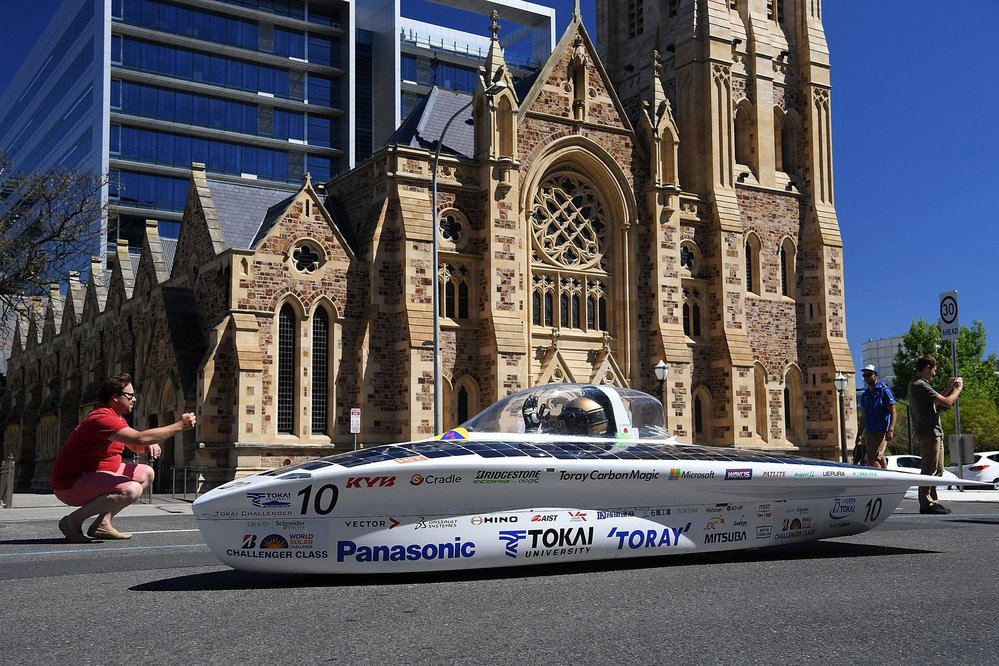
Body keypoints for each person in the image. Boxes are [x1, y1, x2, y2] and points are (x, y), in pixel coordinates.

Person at [50, 373, 196, 542]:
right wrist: (180, 425)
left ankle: (103, 524)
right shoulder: (102, 418)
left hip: (96, 474)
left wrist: (149, 443)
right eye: (130, 396)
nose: (134, 399)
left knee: (146, 473)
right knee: (131, 489)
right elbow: (139, 438)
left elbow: (136, 445)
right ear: (115, 398)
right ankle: (72, 521)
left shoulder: (115, 417)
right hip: (71, 483)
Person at [907, 355, 963, 515]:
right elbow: (947, 402)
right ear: (926, 368)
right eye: (934, 370)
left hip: (934, 431)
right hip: (929, 432)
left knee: (937, 469)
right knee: (928, 469)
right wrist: (957, 389)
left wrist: (947, 388)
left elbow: (936, 401)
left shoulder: (920, 384)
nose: (934, 374)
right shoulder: (919, 384)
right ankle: (925, 504)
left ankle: (933, 501)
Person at [855, 365, 896, 468]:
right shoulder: (865, 395)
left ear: (876, 376)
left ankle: (879, 480)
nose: (866, 377)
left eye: (869, 375)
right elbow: (864, 416)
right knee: (879, 457)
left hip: (881, 430)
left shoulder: (884, 391)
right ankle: (887, 478)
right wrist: (859, 434)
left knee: (871, 458)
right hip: (869, 431)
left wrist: (890, 430)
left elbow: (893, 412)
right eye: (864, 375)